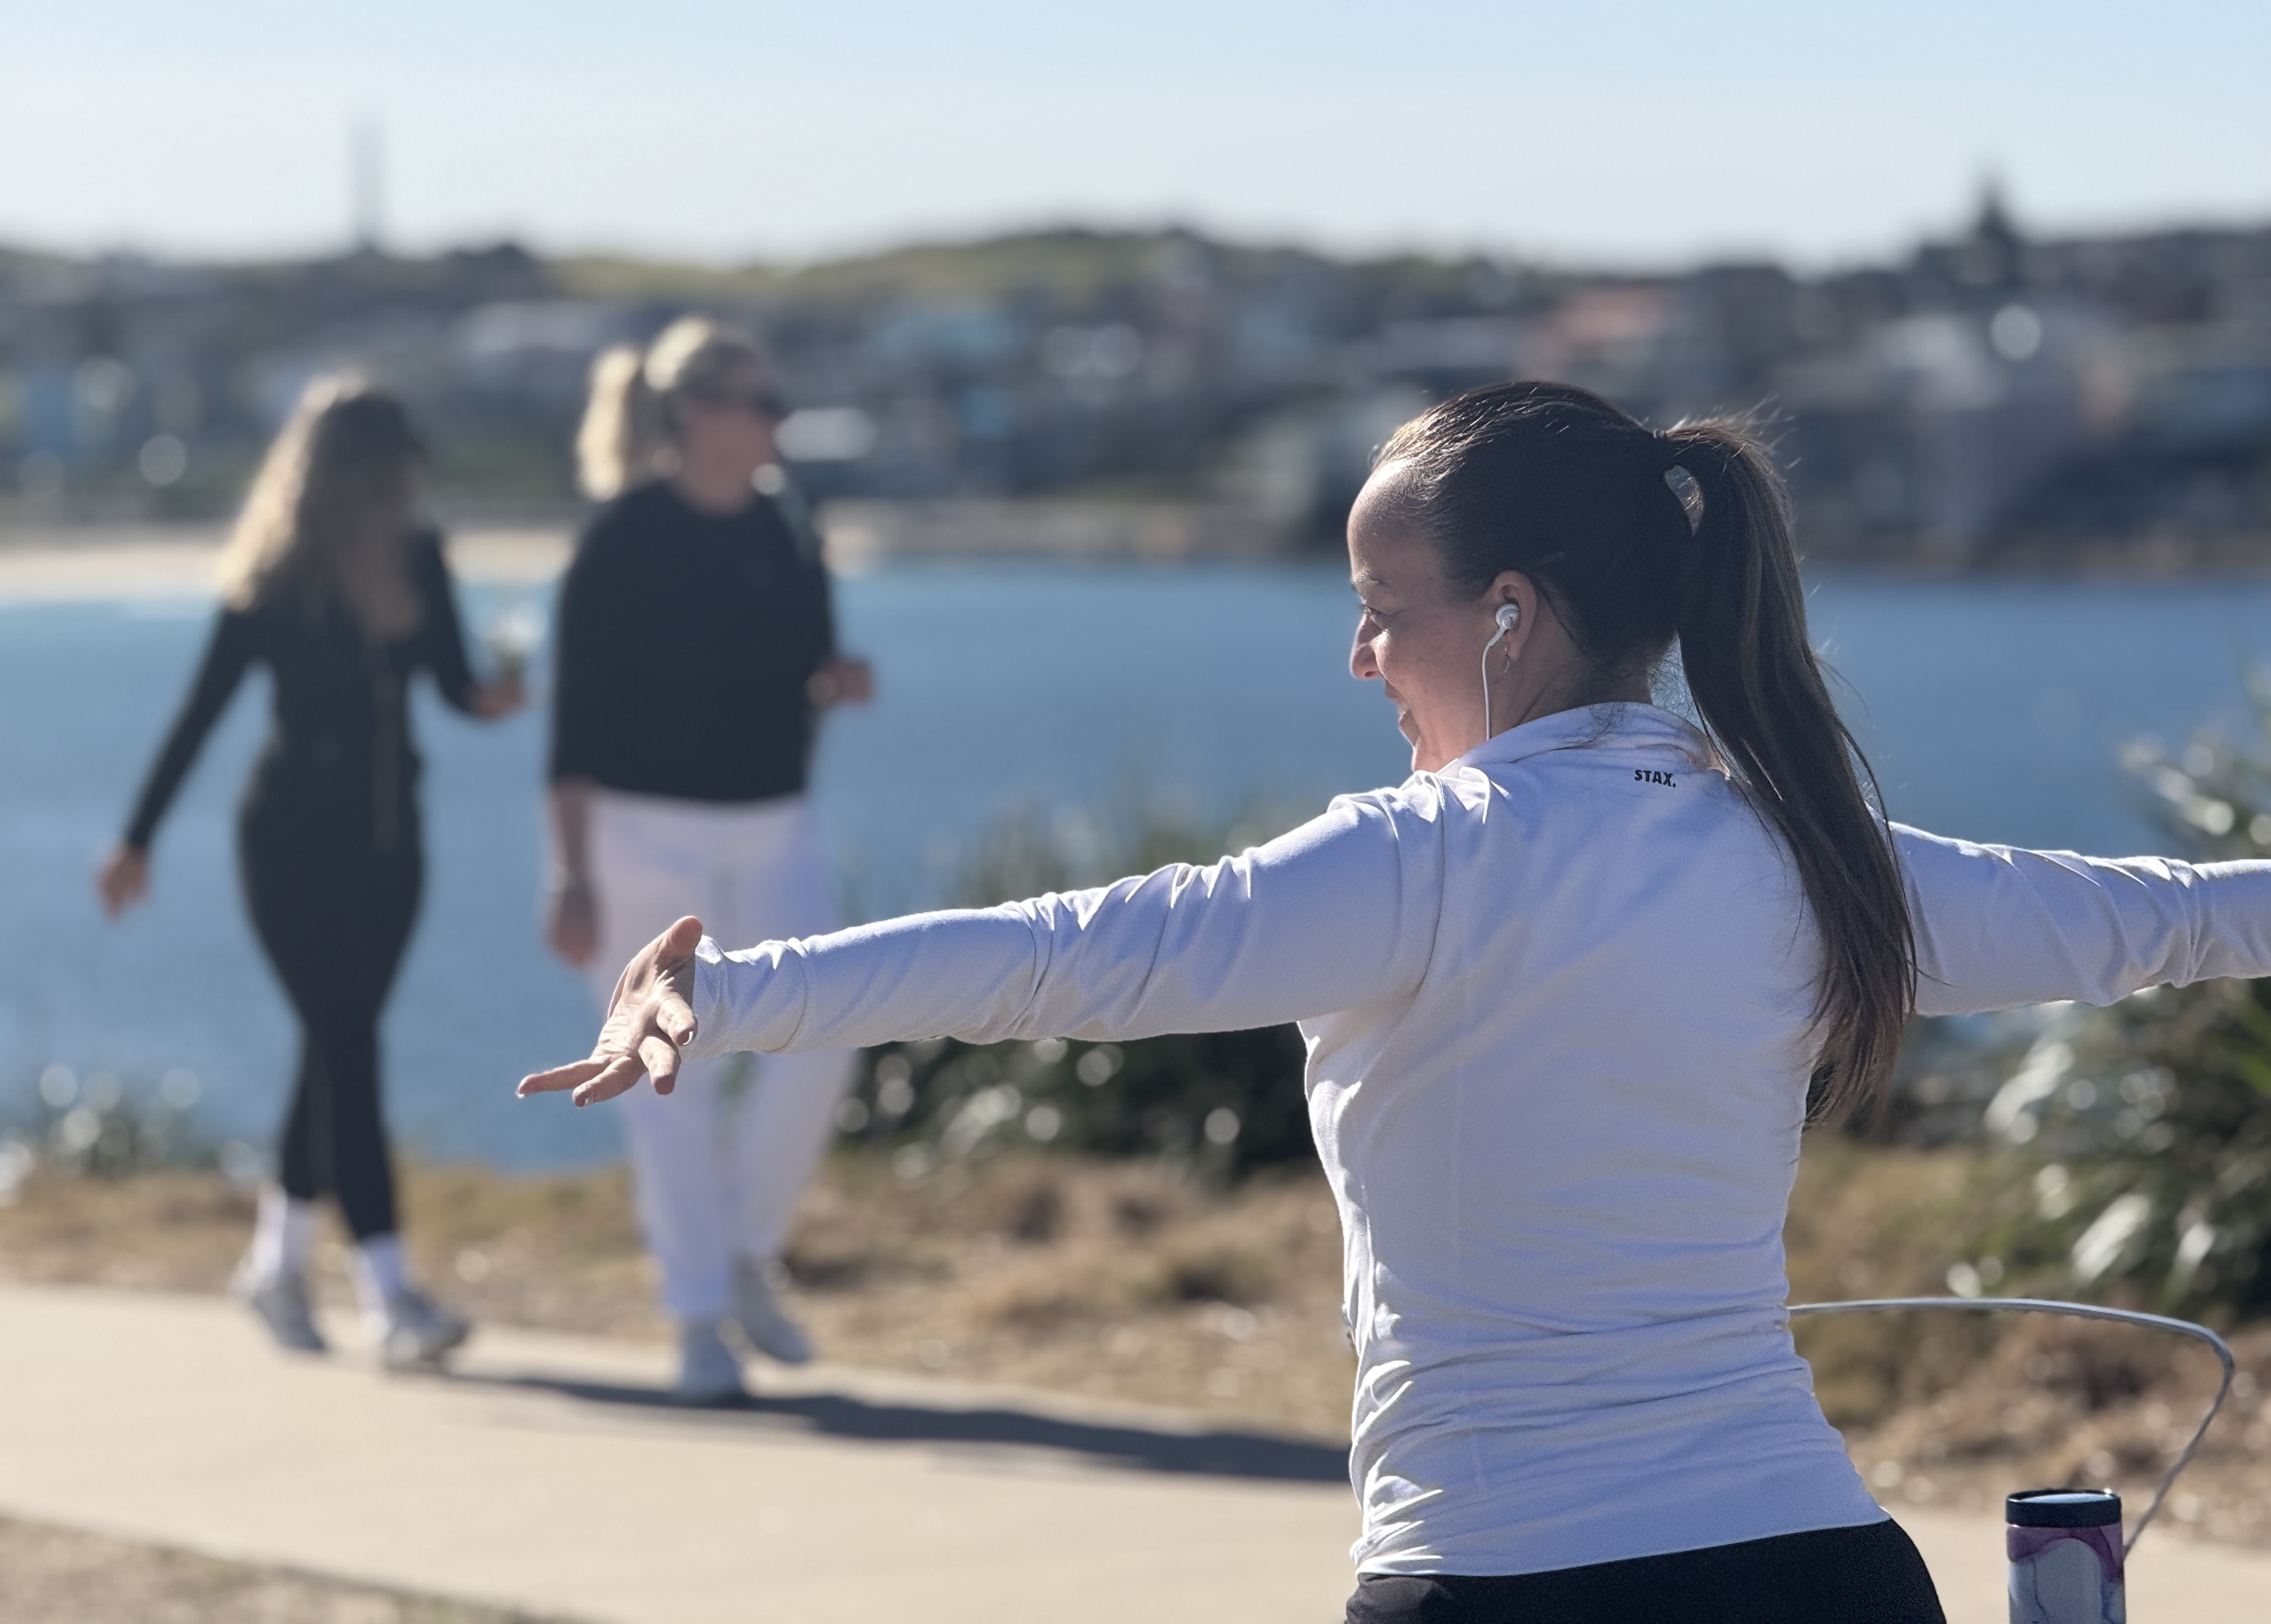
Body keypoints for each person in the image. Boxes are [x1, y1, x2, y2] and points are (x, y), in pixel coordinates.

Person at [523, 381, 2271, 1622]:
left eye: (1381, 611)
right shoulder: (1812, 858)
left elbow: (1071, 954)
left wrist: (729, 989)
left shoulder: (1425, 861)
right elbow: (2173, 924)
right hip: (1824, 1570)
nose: (1359, 658)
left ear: (1509, 615)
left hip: (1505, 1585)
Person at [100, 380, 522, 1367]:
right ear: (362, 472)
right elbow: (200, 712)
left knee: (337, 1047)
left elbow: (454, 685)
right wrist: (137, 839)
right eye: (404, 457)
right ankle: (390, 1294)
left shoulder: (422, 559)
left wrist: (492, 698)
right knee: (350, 1051)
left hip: (392, 845)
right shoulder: (279, 577)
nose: (419, 475)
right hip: (289, 846)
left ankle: (274, 1266)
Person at [546, 316, 872, 1404]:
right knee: (661, 1074)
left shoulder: (789, 523)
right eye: (760, 402)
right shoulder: (622, 537)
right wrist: (571, 874)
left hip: (777, 822)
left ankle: (740, 1254)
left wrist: (836, 681)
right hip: (642, 834)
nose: (779, 421)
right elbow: (574, 725)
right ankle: (696, 1319)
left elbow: (806, 667)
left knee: (828, 1032)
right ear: (694, 416)